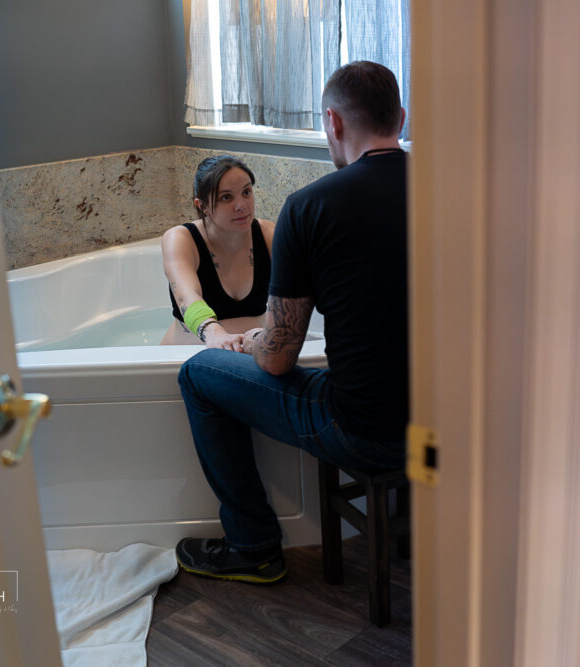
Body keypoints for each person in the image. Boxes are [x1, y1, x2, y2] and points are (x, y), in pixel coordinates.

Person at [174, 60, 409, 584]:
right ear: (401, 116)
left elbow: (278, 359)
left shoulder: (310, 207)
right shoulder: (454, 194)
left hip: (362, 428)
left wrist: (258, 339)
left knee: (197, 375)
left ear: (333, 122)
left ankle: (252, 544)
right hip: (451, 419)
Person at [160, 156, 274, 349]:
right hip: (183, 362)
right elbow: (186, 297)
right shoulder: (181, 239)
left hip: (249, 358)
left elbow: (302, 287)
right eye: (226, 197)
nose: (241, 205)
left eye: (246, 192)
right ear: (201, 206)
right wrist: (214, 334)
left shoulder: (268, 234)